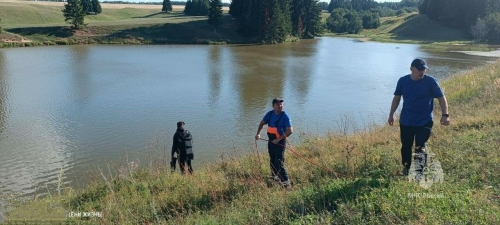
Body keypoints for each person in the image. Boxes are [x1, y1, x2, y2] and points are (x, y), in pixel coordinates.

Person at [388, 58, 450, 176]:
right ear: (412, 69)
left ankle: (418, 172)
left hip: (424, 121)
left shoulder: (431, 82)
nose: (422, 72)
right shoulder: (402, 81)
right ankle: (406, 169)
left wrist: (445, 115)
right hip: (406, 121)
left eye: (424, 69)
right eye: (420, 69)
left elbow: (441, 98)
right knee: (406, 146)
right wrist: (391, 114)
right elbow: (397, 98)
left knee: (420, 146)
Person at [255, 98, 293, 188]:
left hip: (280, 142)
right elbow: (262, 123)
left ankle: (286, 184)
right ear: (273, 106)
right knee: (272, 160)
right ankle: (275, 178)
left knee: (279, 162)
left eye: (281, 104)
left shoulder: (285, 116)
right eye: (278, 105)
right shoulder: (270, 114)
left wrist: (279, 139)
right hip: (271, 141)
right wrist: (258, 134)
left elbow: (290, 131)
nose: (280, 106)